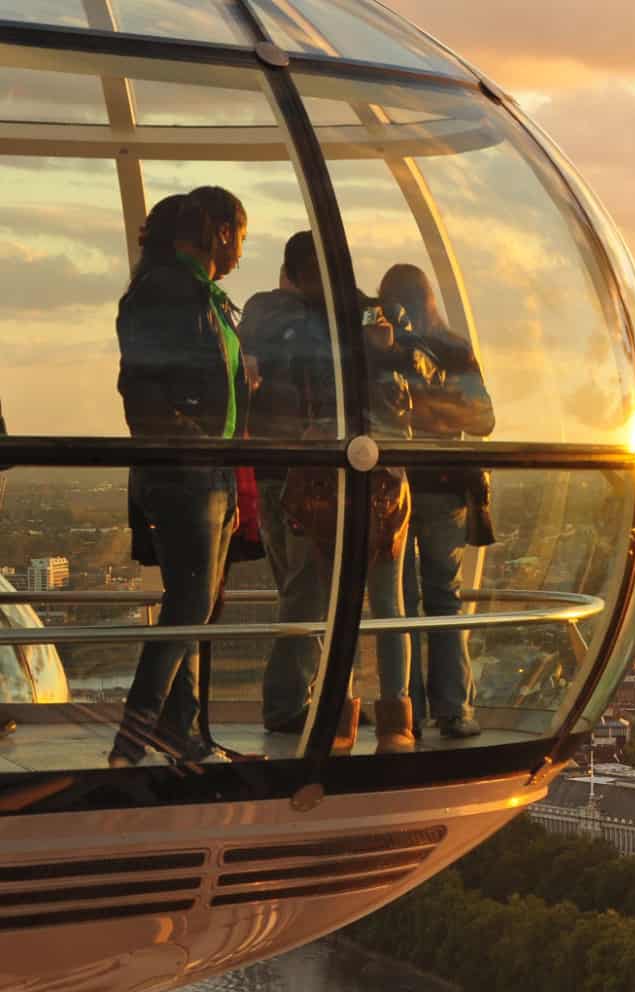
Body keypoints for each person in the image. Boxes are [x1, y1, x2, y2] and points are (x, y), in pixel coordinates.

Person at [110, 187, 248, 768]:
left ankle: (181, 732)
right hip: (187, 475)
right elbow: (140, 387)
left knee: (197, 604)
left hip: (207, 472)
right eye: (242, 234)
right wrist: (193, 439)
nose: (243, 248)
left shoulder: (199, 295)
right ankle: (134, 740)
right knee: (190, 604)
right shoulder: (172, 291)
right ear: (220, 232)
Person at [273, 278, 427, 754]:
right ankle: (388, 720)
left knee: (355, 603)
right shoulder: (365, 323)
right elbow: (412, 392)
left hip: (347, 480)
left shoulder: (314, 328)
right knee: (381, 603)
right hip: (365, 477)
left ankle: (349, 714)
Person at [379, 264, 494, 740]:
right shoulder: (454, 349)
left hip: (394, 487)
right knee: (444, 599)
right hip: (444, 488)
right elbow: (483, 419)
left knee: (401, 602)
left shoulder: (380, 349)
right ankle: (454, 709)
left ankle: (411, 713)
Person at [239, 231, 336, 740]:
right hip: (306, 474)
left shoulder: (255, 316)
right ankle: (288, 706)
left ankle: (300, 699)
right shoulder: (316, 323)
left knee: (294, 585)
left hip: (266, 472)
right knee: (308, 590)